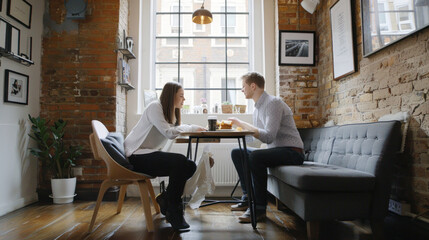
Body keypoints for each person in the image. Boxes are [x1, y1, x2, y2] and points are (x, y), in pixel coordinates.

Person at [124, 82, 206, 231]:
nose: (184, 99)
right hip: (136, 156)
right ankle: (174, 209)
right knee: (180, 161)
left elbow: (173, 129)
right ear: (171, 95)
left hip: (147, 153)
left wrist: (191, 127)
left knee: (190, 165)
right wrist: (192, 127)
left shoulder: (169, 112)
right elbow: (169, 133)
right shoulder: (155, 107)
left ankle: (166, 198)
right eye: (181, 95)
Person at [228, 72, 304, 223]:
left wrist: (243, 125)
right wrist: (238, 129)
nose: (242, 90)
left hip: (292, 152)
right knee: (238, 152)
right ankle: (248, 198)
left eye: (243, 86)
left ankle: (259, 208)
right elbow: (256, 139)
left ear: (253, 86)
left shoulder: (273, 103)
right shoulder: (257, 109)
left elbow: (268, 137)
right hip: (277, 150)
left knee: (256, 157)